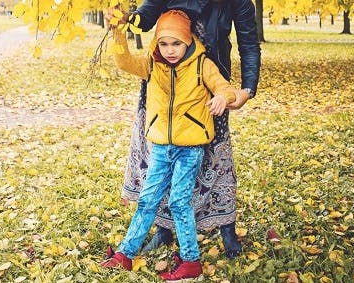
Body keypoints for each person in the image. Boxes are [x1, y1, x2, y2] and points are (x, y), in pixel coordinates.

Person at [117, 0, 261, 260]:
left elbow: (249, 44)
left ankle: (225, 226)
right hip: (164, 82)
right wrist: (123, 19)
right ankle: (163, 228)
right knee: (160, 157)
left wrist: (247, 89)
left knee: (216, 155)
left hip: (208, 81)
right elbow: (144, 19)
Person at [101, 10, 236, 281]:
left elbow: (225, 87)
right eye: (164, 43)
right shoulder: (153, 64)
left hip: (190, 149)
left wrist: (222, 97)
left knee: (178, 202)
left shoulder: (201, 65)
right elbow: (124, 61)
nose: (170, 50)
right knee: (147, 200)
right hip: (161, 147)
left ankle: (191, 260)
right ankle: (125, 254)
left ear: (188, 41)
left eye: (176, 43)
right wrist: (117, 31)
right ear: (157, 44)